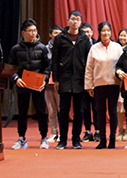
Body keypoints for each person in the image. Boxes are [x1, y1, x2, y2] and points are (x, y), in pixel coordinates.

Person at [52, 10, 92, 149]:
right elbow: (55, 60)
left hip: (80, 80)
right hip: (64, 79)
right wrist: (56, 79)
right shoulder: (60, 38)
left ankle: (76, 140)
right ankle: (62, 140)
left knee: (79, 111)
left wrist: (88, 80)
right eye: (73, 19)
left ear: (80, 22)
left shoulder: (84, 38)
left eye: (78, 19)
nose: (75, 22)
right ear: (68, 20)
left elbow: (88, 61)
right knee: (63, 110)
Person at [9, 19, 51, 150]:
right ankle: (22, 138)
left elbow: (47, 66)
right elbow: (11, 67)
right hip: (22, 84)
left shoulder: (42, 48)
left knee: (41, 112)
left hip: (38, 84)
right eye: (30, 31)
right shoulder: (16, 49)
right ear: (23, 32)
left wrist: (44, 80)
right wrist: (16, 78)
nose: (33, 33)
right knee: (22, 112)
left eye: (34, 30)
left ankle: (44, 137)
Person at [84, 21, 123, 149]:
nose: (106, 33)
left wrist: (122, 83)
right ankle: (102, 139)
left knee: (113, 112)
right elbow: (89, 68)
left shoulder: (117, 47)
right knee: (100, 112)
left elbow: (122, 65)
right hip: (99, 85)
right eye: (103, 31)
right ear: (99, 33)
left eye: (108, 30)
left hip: (114, 84)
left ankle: (112, 138)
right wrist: (89, 85)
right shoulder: (94, 48)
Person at [80, 22, 98, 142]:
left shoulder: (97, 45)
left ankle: (98, 131)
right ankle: (87, 131)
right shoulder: (79, 45)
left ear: (92, 32)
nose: (87, 34)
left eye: (88, 31)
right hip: (83, 80)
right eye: (84, 32)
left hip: (97, 80)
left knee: (97, 108)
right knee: (85, 108)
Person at [45, 24, 62, 143]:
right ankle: (53, 133)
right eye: (55, 33)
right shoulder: (45, 49)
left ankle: (62, 133)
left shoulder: (63, 47)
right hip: (47, 83)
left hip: (60, 82)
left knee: (61, 108)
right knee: (51, 109)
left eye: (59, 33)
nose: (57, 36)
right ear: (50, 35)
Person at [115, 28, 127, 142]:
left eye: (125, 36)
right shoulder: (115, 48)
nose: (122, 38)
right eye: (121, 35)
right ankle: (120, 130)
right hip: (116, 81)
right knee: (119, 109)